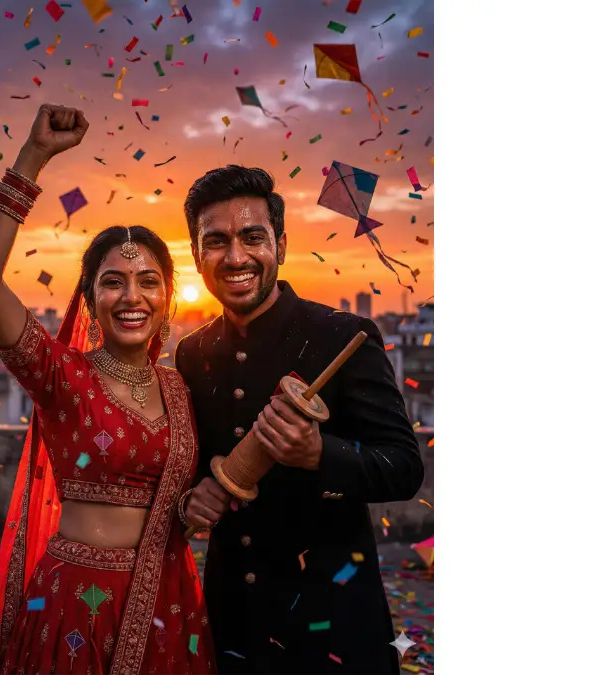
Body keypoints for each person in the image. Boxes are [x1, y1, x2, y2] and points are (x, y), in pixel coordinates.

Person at [0, 104, 215, 675]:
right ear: (91, 299)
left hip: (168, 605)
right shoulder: (63, 376)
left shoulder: (181, 389)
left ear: (169, 299)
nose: (132, 297)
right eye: (113, 282)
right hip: (73, 606)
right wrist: (34, 156)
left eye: (149, 281)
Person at [173, 165, 425, 674]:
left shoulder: (343, 336)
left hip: (332, 626)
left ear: (281, 245)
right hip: (233, 623)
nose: (235, 256)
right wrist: (191, 497)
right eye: (216, 241)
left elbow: (404, 468)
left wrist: (319, 454)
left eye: (252, 237)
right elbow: (194, 467)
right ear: (197, 256)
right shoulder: (191, 354)